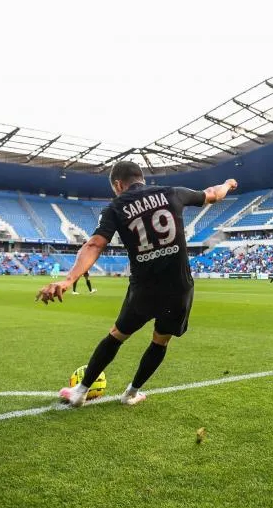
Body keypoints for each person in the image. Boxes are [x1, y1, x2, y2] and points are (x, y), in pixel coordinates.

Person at [36, 161, 237, 408]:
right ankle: (131, 393)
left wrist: (69, 280)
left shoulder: (116, 207)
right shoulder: (172, 192)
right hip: (179, 287)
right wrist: (228, 183)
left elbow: (95, 244)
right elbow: (213, 194)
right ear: (141, 178)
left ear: (118, 184)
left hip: (144, 289)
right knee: (160, 341)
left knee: (117, 336)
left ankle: (80, 391)